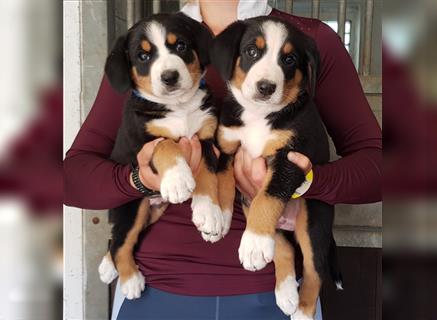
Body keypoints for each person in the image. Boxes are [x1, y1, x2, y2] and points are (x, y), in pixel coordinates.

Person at [63, 1, 382, 319]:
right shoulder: (143, 46)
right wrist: (139, 179)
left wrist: (304, 183)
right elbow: (74, 177)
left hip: (274, 293)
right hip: (154, 289)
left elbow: (378, 168)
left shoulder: (309, 39)